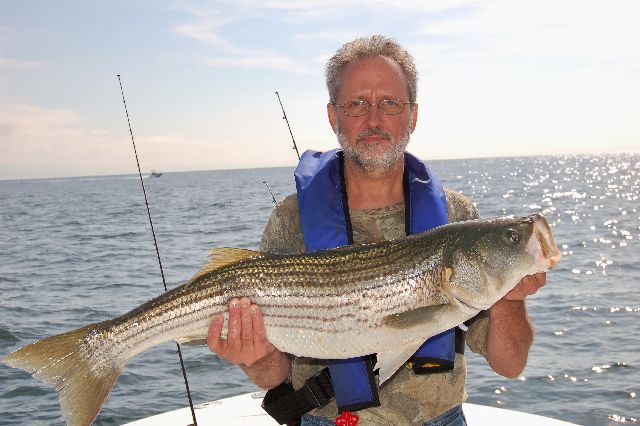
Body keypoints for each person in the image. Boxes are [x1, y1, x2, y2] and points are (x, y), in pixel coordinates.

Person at [207, 35, 546, 425]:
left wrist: (510, 298)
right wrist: (257, 355)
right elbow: (274, 374)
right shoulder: (291, 218)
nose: (373, 119)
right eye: (356, 105)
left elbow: (510, 364)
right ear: (334, 116)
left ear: (413, 115)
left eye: (389, 103)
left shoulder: (456, 215)